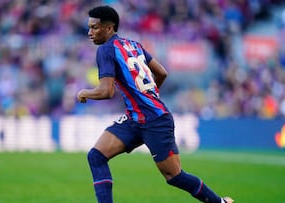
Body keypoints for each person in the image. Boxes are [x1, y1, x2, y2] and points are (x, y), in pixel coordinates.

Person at [76, 5, 234, 203]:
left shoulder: (106, 50)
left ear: (109, 28)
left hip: (155, 120)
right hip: (135, 118)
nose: (90, 32)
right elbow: (161, 73)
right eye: (89, 27)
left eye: (94, 28)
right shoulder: (133, 45)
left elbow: (107, 91)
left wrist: (84, 93)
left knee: (174, 176)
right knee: (96, 156)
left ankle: (220, 202)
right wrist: (149, 96)